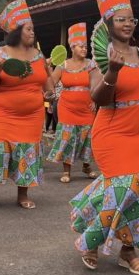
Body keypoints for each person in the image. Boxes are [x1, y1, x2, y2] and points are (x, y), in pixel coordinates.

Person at [70, 0, 139, 275]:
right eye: (121, 19)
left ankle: (128, 251)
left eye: (132, 19)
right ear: (108, 22)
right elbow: (99, 98)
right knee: (122, 187)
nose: (128, 24)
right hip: (112, 130)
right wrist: (114, 73)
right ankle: (91, 238)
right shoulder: (101, 56)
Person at [0, 0, 53, 211]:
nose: (33, 32)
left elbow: (46, 82)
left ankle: (23, 194)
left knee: (27, 151)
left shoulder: (38, 55)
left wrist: (51, 93)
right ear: (17, 31)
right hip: (4, 113)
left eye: (33, 29)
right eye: (29, 29)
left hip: (32, 115)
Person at [47, 22, 98, 183]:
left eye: (85, 47)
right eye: (80, 46)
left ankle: (86, 165)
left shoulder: (91, 65)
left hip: (87, 108)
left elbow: (97, 85)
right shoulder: (63, 65)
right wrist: (47, 69)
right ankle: (66, 171)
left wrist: (96, 101)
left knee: (87, 137)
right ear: (72, 47)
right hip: (67, 107)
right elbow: (51, 84)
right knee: (68, 137)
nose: (84, 49)